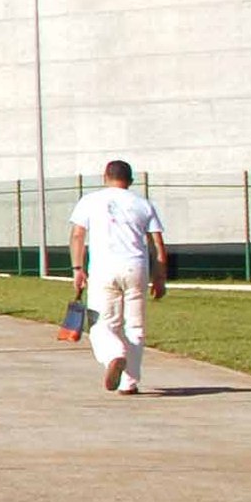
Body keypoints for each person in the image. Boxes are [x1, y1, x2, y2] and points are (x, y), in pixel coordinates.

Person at [68, 158, 171, 395]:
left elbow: (77, 235)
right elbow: (157, 243)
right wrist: (160, 277)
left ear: (105, 177)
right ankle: (129, 382)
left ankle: (114, 355)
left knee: (102, 323)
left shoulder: (90, 201)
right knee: (135, 325)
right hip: (136, 268)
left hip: (104, 269)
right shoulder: (143, 204)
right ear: (131, 181)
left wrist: (77, 269)